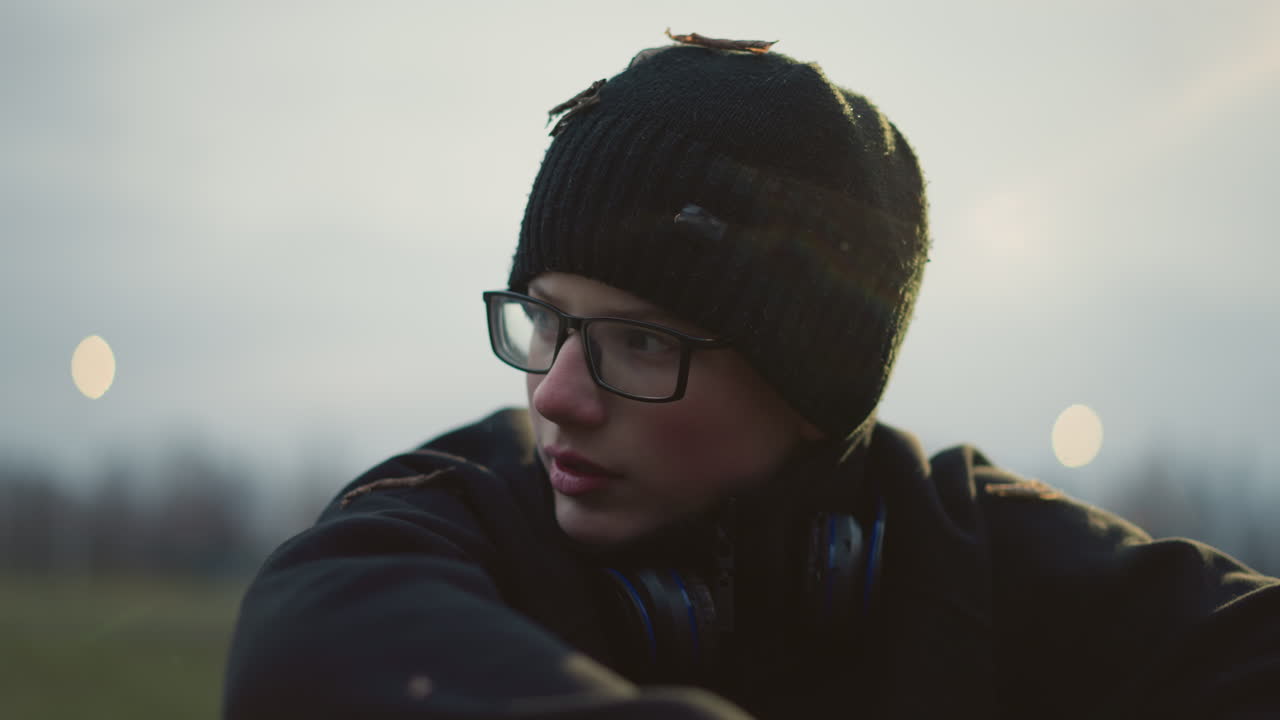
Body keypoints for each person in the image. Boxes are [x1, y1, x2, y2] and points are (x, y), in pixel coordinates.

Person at [223, 33, 1280, 719]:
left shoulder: (967, 549)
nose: (551, 394)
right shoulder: (458, 517)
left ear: (809, 390)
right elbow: (307, 643)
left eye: (640, 342)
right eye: (544, 320)